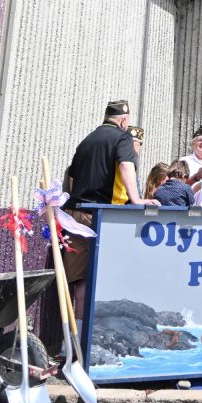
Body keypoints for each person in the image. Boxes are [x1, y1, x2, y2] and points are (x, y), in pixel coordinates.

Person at [64, 100, 154, 322]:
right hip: (101, 218)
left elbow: (72, 177)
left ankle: (77, 342)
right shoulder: (122, 138)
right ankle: (96, 338)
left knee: (81, 280)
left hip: (74, 216)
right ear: (123, 120)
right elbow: (126, 165)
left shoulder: (87, 140)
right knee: (105, 277)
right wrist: (137, 198)